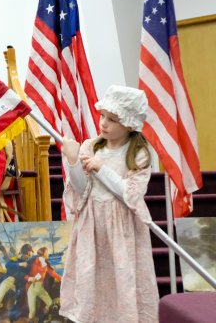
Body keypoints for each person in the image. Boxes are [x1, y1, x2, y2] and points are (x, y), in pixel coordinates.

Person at [59, 85, 159, 323]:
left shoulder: (139, 154)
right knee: (90, 278)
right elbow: (82, 189)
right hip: (92, 226)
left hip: (121, 230)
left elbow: (129, 194)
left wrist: (101, 169)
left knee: (122, 281)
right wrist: (73, 160)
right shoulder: (91, 147)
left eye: (112, 119)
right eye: (103, 115)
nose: (103, 123)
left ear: (129, 124)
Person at [0, 243, 33, 322]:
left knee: (18, 299)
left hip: (19, 283)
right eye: (31, 252)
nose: (31, 254)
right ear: (28, 252)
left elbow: (27, 273)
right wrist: (19, 264)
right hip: (8, 280)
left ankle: (12, 318)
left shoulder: (30, 262)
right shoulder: (16, 258)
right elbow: (8, 265)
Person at [24, 247, 61, 322]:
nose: (48, 254)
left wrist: (62, 279)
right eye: (47, 252)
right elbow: (24, 274)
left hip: (40, 287)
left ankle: (44, 316)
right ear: (43, 253)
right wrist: (29, 278)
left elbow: (52, 273)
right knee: (32, 311)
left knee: (50, 304)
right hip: (32, 287)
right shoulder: (33, 262)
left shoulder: (45, 263)